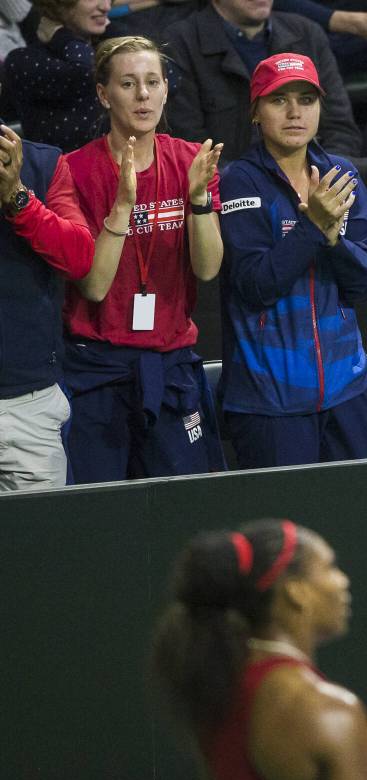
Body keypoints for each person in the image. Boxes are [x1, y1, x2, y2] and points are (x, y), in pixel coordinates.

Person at [63, 35, 225, 482]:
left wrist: (197, 199)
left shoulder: (192, 160)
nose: (143, 95)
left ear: (167, 89)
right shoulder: (74, 170)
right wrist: (121, 209)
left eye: (153, 82)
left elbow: (208, 269)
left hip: (170, 362)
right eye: (129, 83)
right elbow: (93, 286)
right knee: (103, 517)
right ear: (103, 93)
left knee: (179, 511)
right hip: (98, 370)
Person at [218, 53, 367, 469]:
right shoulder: (237, 181)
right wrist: (313, 227)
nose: (295, 112)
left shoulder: (342, 174)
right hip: (269, 399)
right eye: (279, 100)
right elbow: (254, 286)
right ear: (255, 112)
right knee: (284, 530)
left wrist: (334, 243)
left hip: (349, 389)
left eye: (307, 99)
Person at [151, 518, 367, 780]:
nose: (343, 581)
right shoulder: (327, 709)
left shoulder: (221, 685)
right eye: (330, 567)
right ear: (296, 592)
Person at [0, 124, 94, 490]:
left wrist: (17, 197)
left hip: (28, 403)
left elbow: (80, 259)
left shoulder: (44, 162)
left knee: (41, 546)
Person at [164, 0, 362, 162]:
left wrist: (327, 176)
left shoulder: (307, 34)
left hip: (313, 186)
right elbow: (187, 146)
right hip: (226, 194)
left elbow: (341, 128)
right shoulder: (179, 42)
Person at [5, 0, 113, 151]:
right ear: (59, 4)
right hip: (63, 172)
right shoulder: (23, 60)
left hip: (119, 168)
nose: (106, 7)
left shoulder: (104, 46)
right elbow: (88, 70)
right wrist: (61, 36)